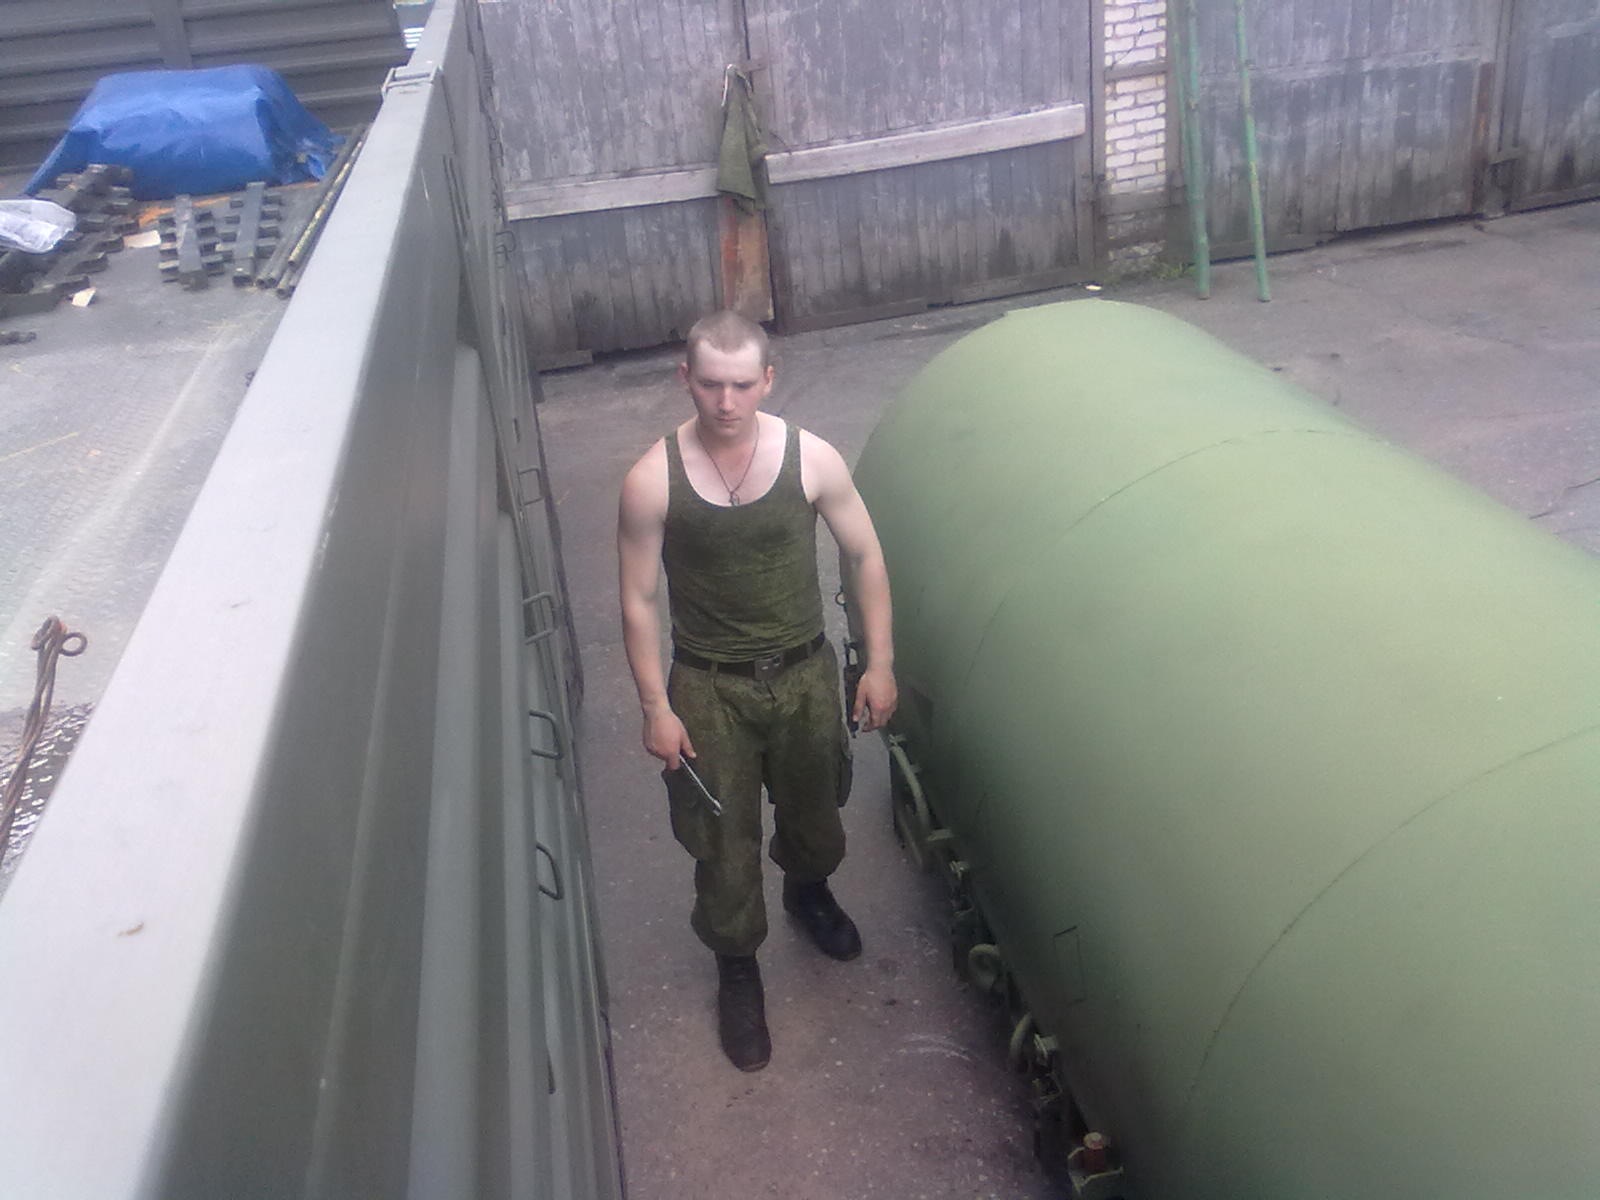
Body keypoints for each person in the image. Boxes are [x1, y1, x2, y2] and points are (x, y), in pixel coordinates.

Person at [617, 310, 897, 1071]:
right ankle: (737, 963)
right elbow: (638, 599)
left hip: (804, 674)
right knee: (721, 841)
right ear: (686, 378)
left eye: (742, 384)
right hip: (710, 687)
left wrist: (879, 663)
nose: (726, 401)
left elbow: (865, 555)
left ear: (768, 380)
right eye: (711, 383)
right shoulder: (652, 480)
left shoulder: (812, 459)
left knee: (816, 811)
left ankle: (809, 890)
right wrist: (655, 707)